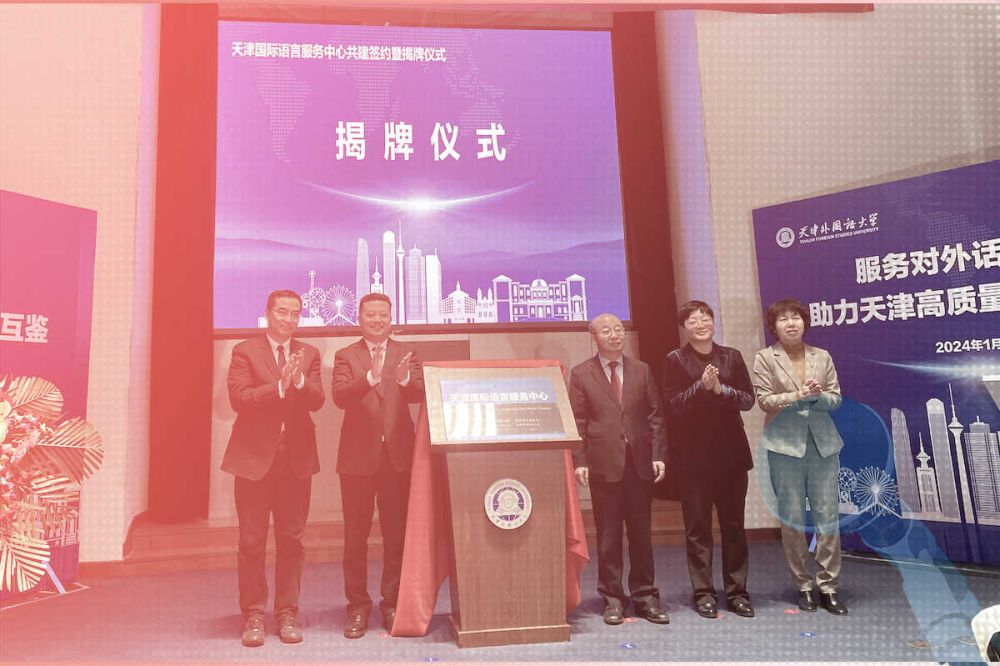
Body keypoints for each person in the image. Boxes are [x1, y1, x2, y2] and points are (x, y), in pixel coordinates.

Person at [221, 289, 325, 647]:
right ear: (268, 313)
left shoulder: (309, 354)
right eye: (282, 311)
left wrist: (298, 381)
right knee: (252, 541)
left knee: (291, 541)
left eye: (295, 313)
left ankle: (286, 613)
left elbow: (318, 400)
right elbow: (239, 399)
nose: (289, 318)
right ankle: (253, 614)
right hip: (254, 461)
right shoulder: (245, 351)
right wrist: (278, 386)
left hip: (296, 461)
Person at [569, 313, 670, 626]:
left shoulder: (642, 370)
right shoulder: (581, 373)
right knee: (609, 537)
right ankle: (612, 599)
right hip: (604, 465)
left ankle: (646, 597)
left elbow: (655, 416)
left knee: (642, 535)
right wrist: (580, 460)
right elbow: (578, 421)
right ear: (594, 337)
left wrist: (658, 454)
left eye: (618, 329)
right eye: (606, 331)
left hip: (639, 463)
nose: (614, 335)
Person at [332, 293, 424, 638]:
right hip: (356, 460)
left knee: (396, 536)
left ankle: (392, 604)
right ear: (359, 318)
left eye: (382, 314)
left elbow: (419, 393)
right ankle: (357, 606)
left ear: (390, 318)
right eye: (370, 314)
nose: (377, 320)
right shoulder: (345, 355)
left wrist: (404, 380)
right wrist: (370, 376)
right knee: (354, 538)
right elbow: (340, 397)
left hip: (397, 459)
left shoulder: (407, 352)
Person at [752, 298, 847, 615]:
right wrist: (798, 395)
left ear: (804, 322)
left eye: (796, 317)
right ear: (774, 327)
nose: (791, 323)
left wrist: (817, 397)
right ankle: (804, 585)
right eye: (783, 319)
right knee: (792, 519)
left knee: (827, 517)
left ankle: (829, 586)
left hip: (822, 445)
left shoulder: (822, 356)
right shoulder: (766, 358)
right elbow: (764, 401)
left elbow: (836, 398)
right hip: (784, 447)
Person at [661, 301, 755, 620]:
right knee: (698, 528)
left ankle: (737, 592)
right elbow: (673, 404)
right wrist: (702, 388)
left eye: (705, 318)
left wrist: (719, 389)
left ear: (713, 323)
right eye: (693, 320)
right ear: (684, 327)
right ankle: (703, 593)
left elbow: (747, 399)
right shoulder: (675, 360)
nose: (701, 324)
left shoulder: (732, 356)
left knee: (734, 526)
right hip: (693, 459)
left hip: (731, 455)